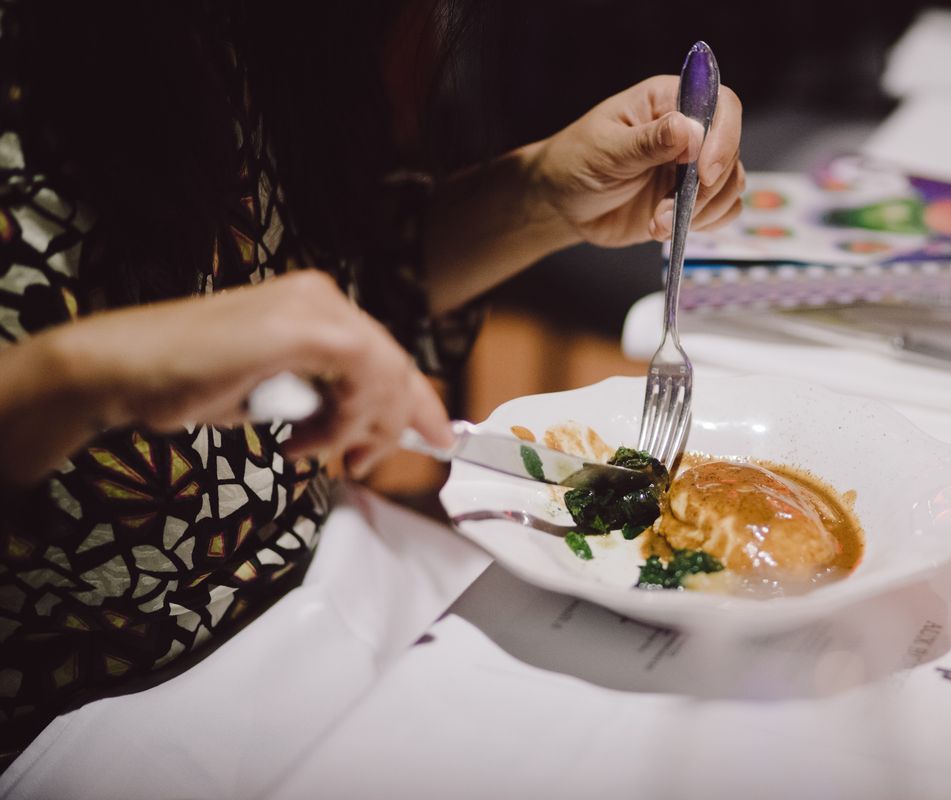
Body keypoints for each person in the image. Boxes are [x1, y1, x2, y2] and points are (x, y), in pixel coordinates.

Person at [0, 0, 744, 765]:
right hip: (83, 713)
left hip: (334, 578)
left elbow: (354, 274)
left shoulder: (270, 30)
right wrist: (79, 373)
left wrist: (544, 193)